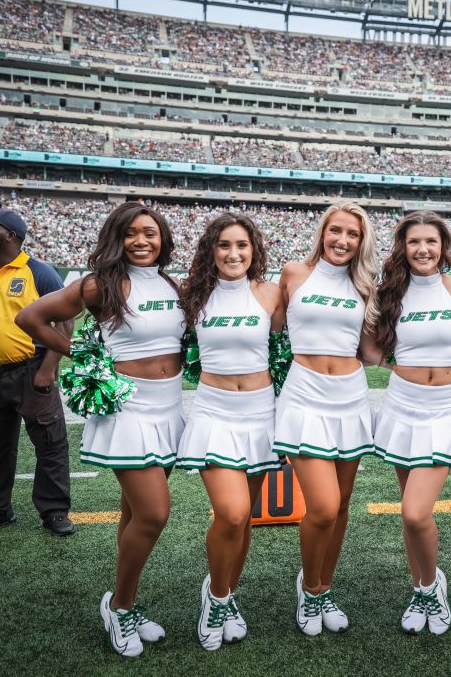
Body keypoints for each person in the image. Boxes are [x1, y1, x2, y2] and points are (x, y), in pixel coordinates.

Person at [15, 202, 185, 658]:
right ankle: (120, 605)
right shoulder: (99, 285)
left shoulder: (173, 283)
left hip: (169, 409)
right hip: (127, 410)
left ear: (163, 238)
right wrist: (82, 355)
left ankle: (125, 600)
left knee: (133, 515)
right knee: (153, 515)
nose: (142, 241)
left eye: (150, 232)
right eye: (131, 233)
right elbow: (30, 318)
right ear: (117, 238)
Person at [175, 212, 286, 651]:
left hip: (261, 414)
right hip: (214, 413)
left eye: (242, 245)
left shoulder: (271, 294)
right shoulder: (193, 296)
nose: (234, 253)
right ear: (211, 250)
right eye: (224, 245)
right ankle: (216, 598)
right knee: (233, 513)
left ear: (254, 250)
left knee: (245, 522)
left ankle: (225, 594)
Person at [363, 210, 451, 636]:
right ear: (402, 247)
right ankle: (422, 588)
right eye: (414, 242)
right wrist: (399, 364)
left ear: (443, 246)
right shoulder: (389, 291)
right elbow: (370, 350)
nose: (422, 249)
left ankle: (432, 587)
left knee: (414, 512)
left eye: (431, 241)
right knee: (411, 509)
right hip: (402, 405)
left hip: (446, 407)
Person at [275, 203, 379, 636]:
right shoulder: (294, 273)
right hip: (304, 396)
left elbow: (372, 352)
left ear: (361, 242)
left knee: (342, 505)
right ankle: (309, 588)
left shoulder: (366, 284)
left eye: (352, 235)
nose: (342, 240)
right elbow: (272, 328)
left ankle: (322, 587)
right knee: (323, 506)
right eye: (335, 231)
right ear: (322, 232)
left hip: (351, 396)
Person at [0, 208, 74, 537]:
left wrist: (49, 368)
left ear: (10, 234)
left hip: (31, 371)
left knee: (50, 444)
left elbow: (66, 322)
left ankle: (54, 511)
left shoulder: (39, 273)